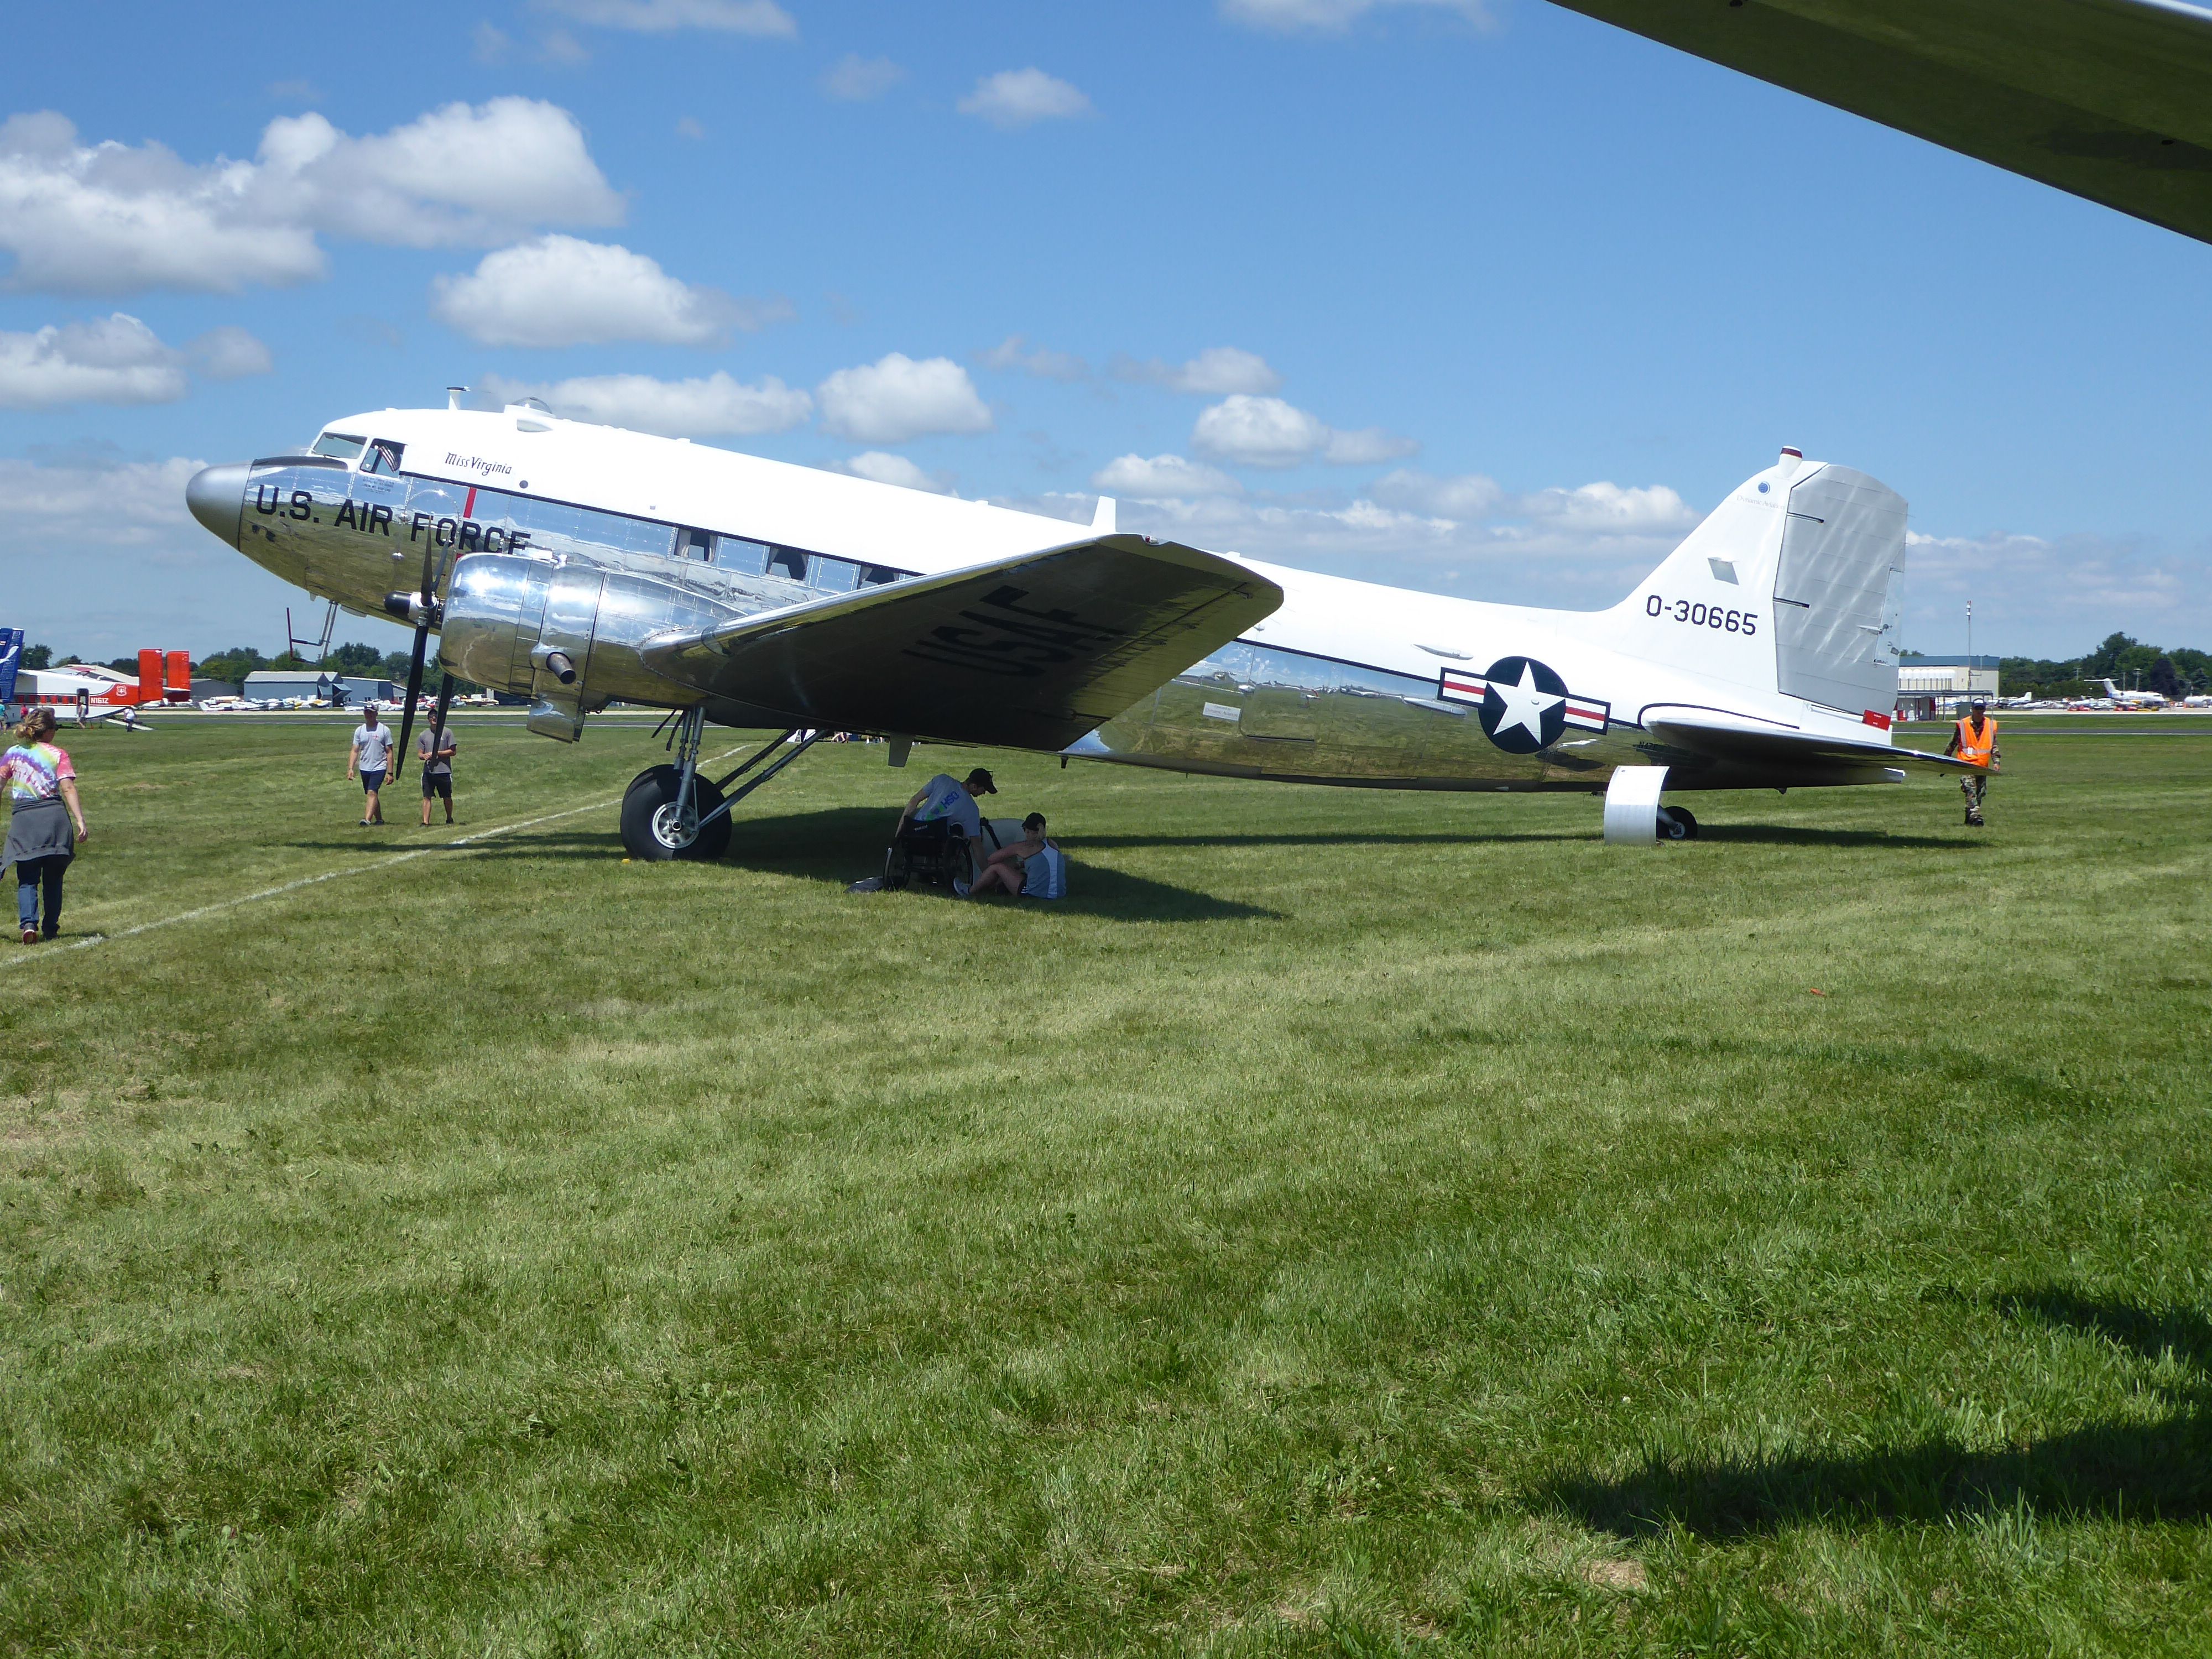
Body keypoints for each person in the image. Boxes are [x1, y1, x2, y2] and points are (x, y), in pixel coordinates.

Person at [2, 706, 87, 944]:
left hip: (24, 820)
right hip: (54, 818)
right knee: (53, 878)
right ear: (48, 731)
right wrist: (80, 819)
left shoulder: (13, 753)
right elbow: (68, 787)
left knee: (27, 876)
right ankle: (51, 926)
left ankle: (29, 924)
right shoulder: (58, 754)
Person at [897, 766, 995, 894]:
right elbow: (976, 844)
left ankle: (924, 872)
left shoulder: (942, 779)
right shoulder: (971, 809)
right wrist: (987, 873)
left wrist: (899, 832)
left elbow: (914, 801)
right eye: (984, 790)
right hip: (935, 844)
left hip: (913, 833)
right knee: (957, 832)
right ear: (974, 787)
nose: (984, 794)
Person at [967, 812, 1066, 900]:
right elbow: (1043, 863)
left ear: (1028, 832)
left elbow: (992, 859)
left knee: (997, 867)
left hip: (1034, 895)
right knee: (1020, 874)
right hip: (1060, 893)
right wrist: (1019, 865)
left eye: (1025, 830)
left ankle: (970, 891)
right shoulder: (1053, 844)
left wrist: (1008, 863)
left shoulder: (1023, 847)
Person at [1944, 697, 2001, 826]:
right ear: (1972, 710)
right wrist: (1945, 761)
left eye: (1982, 709)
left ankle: (1969, 819)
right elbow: (1952, 744)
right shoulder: (1963, 725)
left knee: (1980, 793)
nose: (1979, 712)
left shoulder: (1990, 725)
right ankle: (1976, 816)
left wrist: (1996, 762)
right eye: (1977, 709)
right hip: (1966, 764)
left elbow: (1994, 746)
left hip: (1982, 766)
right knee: (1970, 789)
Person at [349, 703, 393, 826]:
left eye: (371, 712)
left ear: (376, 714)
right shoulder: (360, 730)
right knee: (371, 793)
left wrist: (390, 773)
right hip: (365, 767)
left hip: (379, 766)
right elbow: (355, 750)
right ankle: (379, 819)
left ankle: (367, 820)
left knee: (372, 792)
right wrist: (351, 768)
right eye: (367, 712)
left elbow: (389, 752)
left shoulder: (384, 730)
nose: (369, 714)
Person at [418, 714, 457, 827]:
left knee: (447, 797)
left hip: (444, 770)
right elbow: (420, 753)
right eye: (431, 717)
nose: (434, 719)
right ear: (428, 719)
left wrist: (437, 754)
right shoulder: (423, 735)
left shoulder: (447, 732)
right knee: (427, 796)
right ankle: (426, 821)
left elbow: (453, 752)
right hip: (429, 771)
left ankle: (449, 818)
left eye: (436, 716)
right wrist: (424, 756)